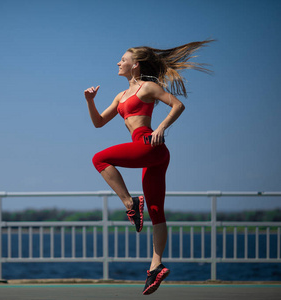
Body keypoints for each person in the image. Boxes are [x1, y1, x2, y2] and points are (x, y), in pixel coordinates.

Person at [84, 40, 213, 295]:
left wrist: (162, 127)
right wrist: (90, 101)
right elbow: (99, 123)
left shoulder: (148, 87)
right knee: (155, 211)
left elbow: (178, 105)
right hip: (151, 153)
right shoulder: (121, 96)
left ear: (136, 65)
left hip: (149, 144)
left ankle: (131, 204)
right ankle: (156, 266)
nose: (118, 63)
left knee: (99, 159)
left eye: (123, 59)